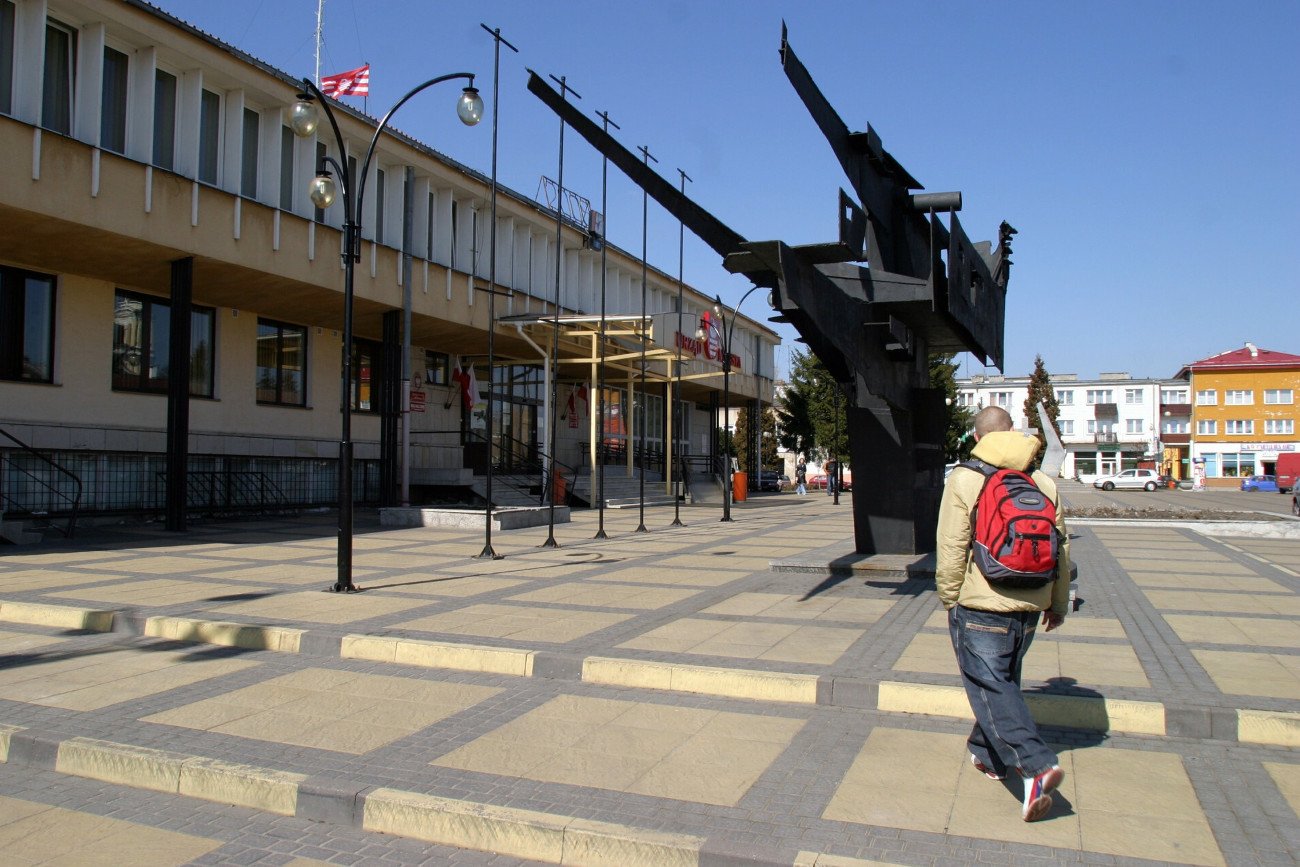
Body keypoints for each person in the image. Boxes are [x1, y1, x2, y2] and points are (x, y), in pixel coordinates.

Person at [935, 405, 1072, 822]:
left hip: (982, 604)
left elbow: (952, 544)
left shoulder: (965, 478)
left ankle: (1036, 765)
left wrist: (950, 597)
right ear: (1013, 431)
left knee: (990, 685)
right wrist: (1057, 603)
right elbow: (1062, 549)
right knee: (1002, 683)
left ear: (977, 438)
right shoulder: (1042, 480)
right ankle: (987, 755)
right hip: (1030, 602)